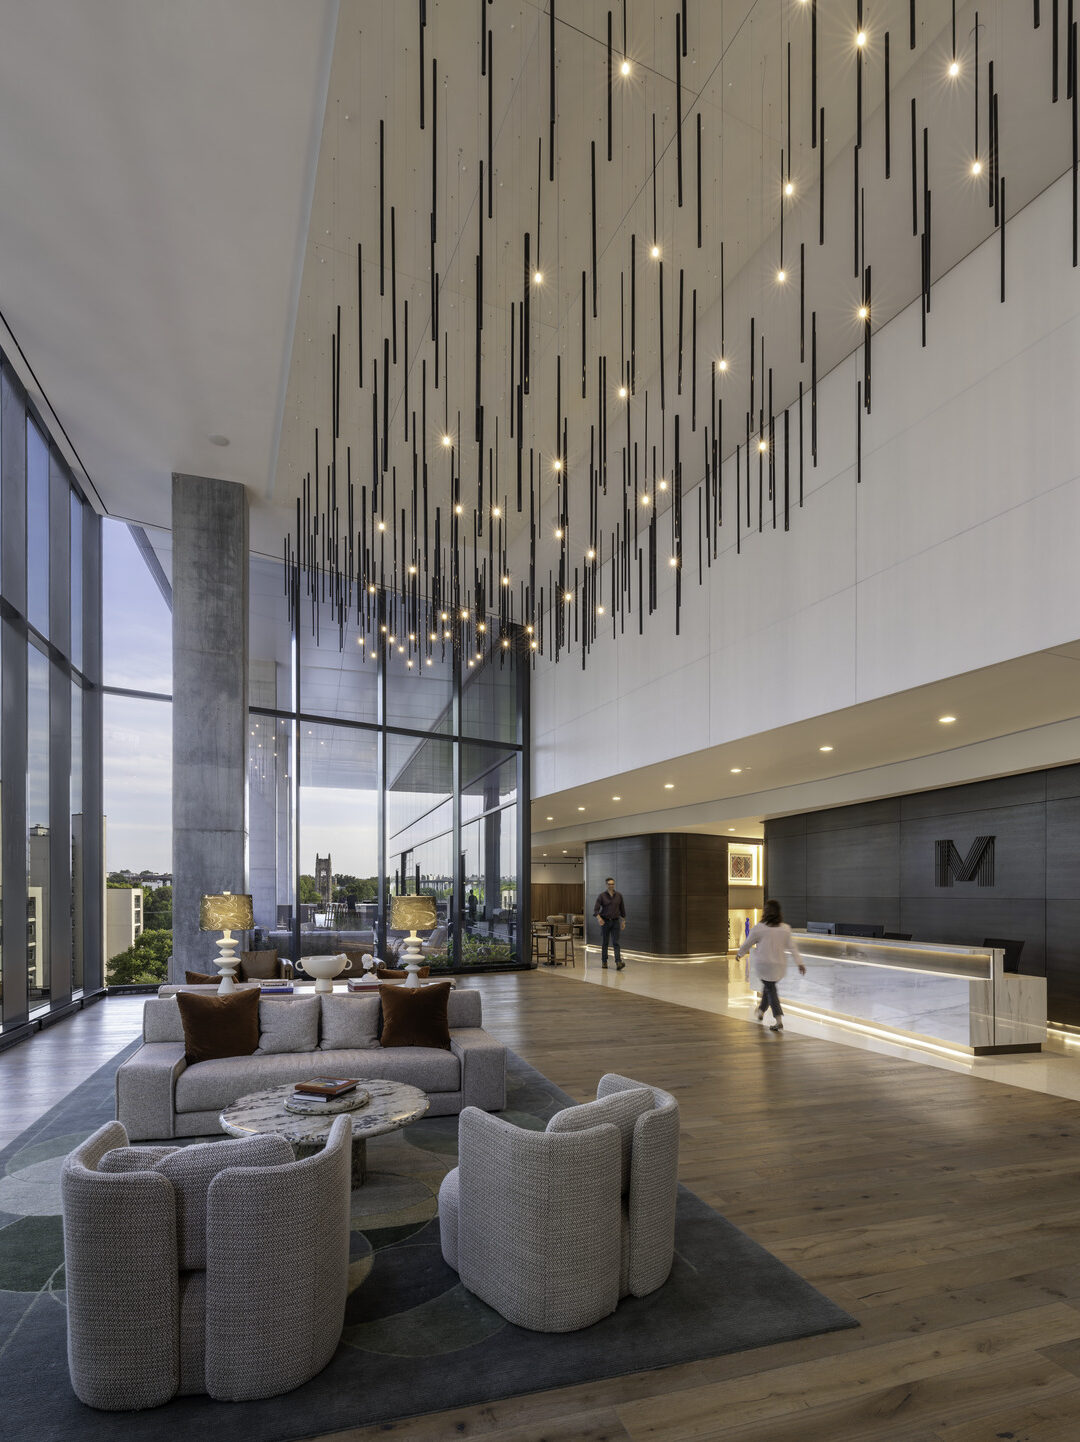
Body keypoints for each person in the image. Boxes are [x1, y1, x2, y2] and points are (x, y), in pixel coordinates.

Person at [736, 898, 805, 1032]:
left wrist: (740, 954)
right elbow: (793, 948)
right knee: (770, 987)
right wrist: (800, 963)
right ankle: (761, 1011)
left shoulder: (759, 928)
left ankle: (778, 1019)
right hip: (779, 966)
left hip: (764, 965)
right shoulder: (785, 928)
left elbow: (747, 943)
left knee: (770, 989)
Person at [592, 877, 626, 970]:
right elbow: (595, 910)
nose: (611, 885)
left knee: (616, 943)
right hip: (605, 922)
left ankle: (618, 962)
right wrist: (599, 919)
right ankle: (604, 962)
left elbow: (622, 910)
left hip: (615, 922)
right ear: (606, 885)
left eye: (613, 884)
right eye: (609, 884)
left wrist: (623, 921)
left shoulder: (619, 895)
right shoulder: (602, 896)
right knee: (605, 943)